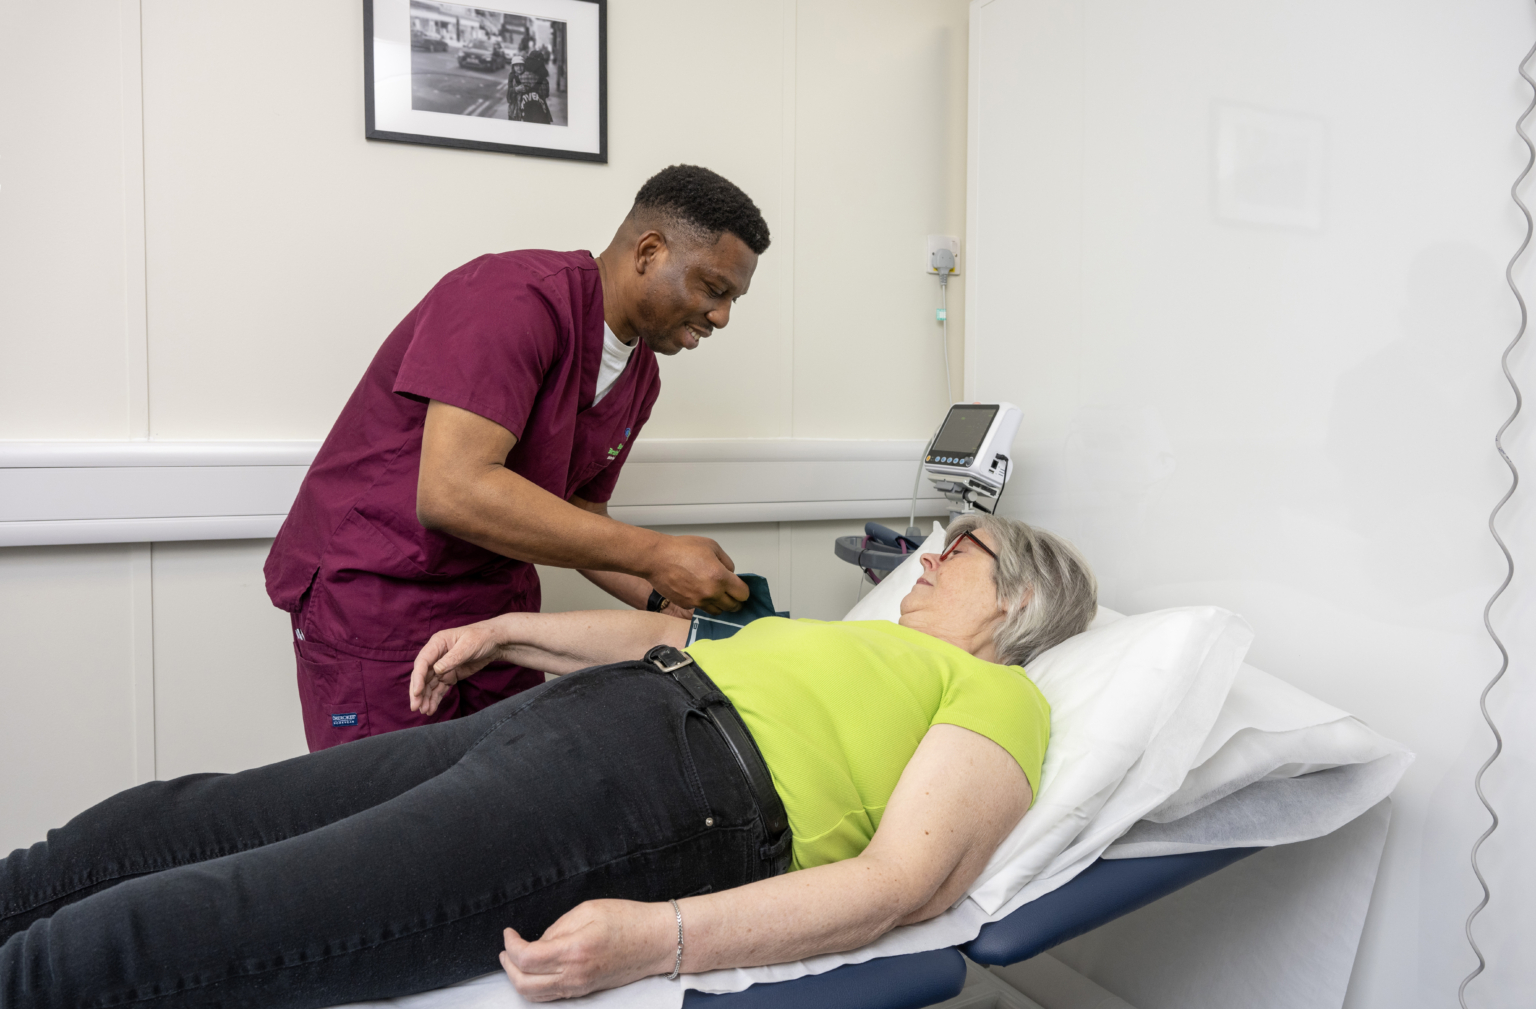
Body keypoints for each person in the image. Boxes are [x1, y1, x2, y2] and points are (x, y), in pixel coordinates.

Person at [0, 517, 1097, 1007]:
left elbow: (905, 885)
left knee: (222, 911)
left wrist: (656, 939)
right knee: (178, 818)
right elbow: (660, 639)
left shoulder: (1000, 695)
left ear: (1018, 601)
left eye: (966, 547)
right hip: (580, 721)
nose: (936, 550)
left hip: (667, 793)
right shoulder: (849, 636)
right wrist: (506, 633)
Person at [263, 166, 771, 752]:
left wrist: (668, 598)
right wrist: (657, 555)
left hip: (493, 613)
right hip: (378, 595)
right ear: (649, 252)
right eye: (714, 289)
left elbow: (582, 519)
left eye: (733, 298)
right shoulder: (511, 297)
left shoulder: (640, 376)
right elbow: (454, 490)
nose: (722, 316)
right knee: (391, 822)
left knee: (506, 803)